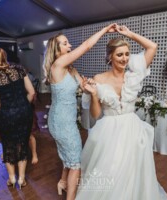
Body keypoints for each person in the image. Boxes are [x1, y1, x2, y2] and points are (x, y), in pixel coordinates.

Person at [76, 25, 167, 199]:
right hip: (108, 132)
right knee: (111, 169)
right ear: (110, 56)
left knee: (133, 171)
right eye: (119, 54)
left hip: (132, 130)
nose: (125, 58)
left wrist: (129, 34)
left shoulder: (134, 75)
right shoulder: (99, 79)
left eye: (127, 54)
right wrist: (94, 94)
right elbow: (95, 115)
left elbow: (152, 47)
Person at [43, 23, 117, 200]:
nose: (69, 46)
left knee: (70, 155)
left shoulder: (71, 69)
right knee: (76, 162)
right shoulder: (58, 65)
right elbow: (87, 46)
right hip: (61, 121)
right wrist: (105, 29)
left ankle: (62, 182)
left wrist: (86, 86)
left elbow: (81, 88)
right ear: (56, 49)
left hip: (66, 119)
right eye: (65, 43)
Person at [0, 47, 35, 189]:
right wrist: (22, 105)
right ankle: (22, 179)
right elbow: (31, 93)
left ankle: (12, 178)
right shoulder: (19, 69)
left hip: (7, 115)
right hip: (25, 112)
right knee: (23, 144)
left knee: (8, 145)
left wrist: (9, 110)